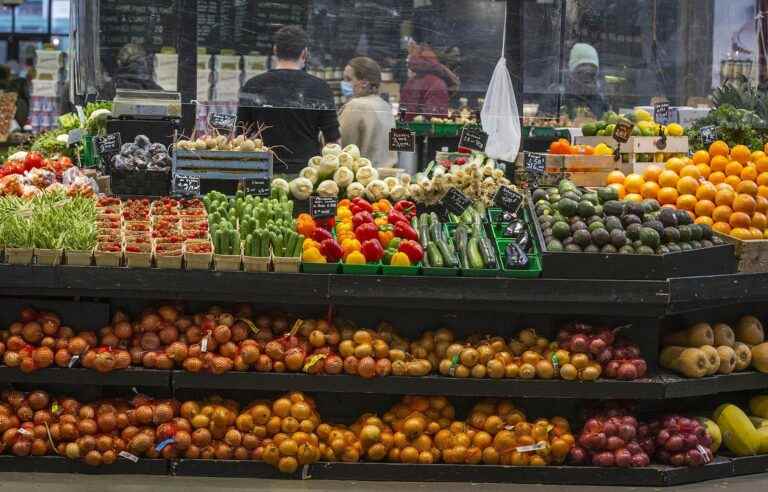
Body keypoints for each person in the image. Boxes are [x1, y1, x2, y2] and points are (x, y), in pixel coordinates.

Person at [238, 26, 340, 174]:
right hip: (308, 175)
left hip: (263, 171)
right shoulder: (320, 87)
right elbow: (333, 141)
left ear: (275, 50)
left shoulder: (253, 85)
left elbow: (241, 135)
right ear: (305, 53)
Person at [339, 57, 396, 168]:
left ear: (364, 83)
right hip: (387, 175)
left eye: (348, 79)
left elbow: (341, 146)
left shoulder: (355, 105)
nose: (344, 83)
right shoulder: (384, 105)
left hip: (363, 177)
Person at [400, 41, 459, 120]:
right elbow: (435, 118)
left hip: (411, 129)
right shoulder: (437, 83)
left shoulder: (412, 82)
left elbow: (404, 112)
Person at [561, 43, 608, 120]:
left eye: (592, 73)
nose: (587, 78)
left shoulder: (600, 101)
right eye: (581, 72)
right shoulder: (560, 97)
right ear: (571, 73)